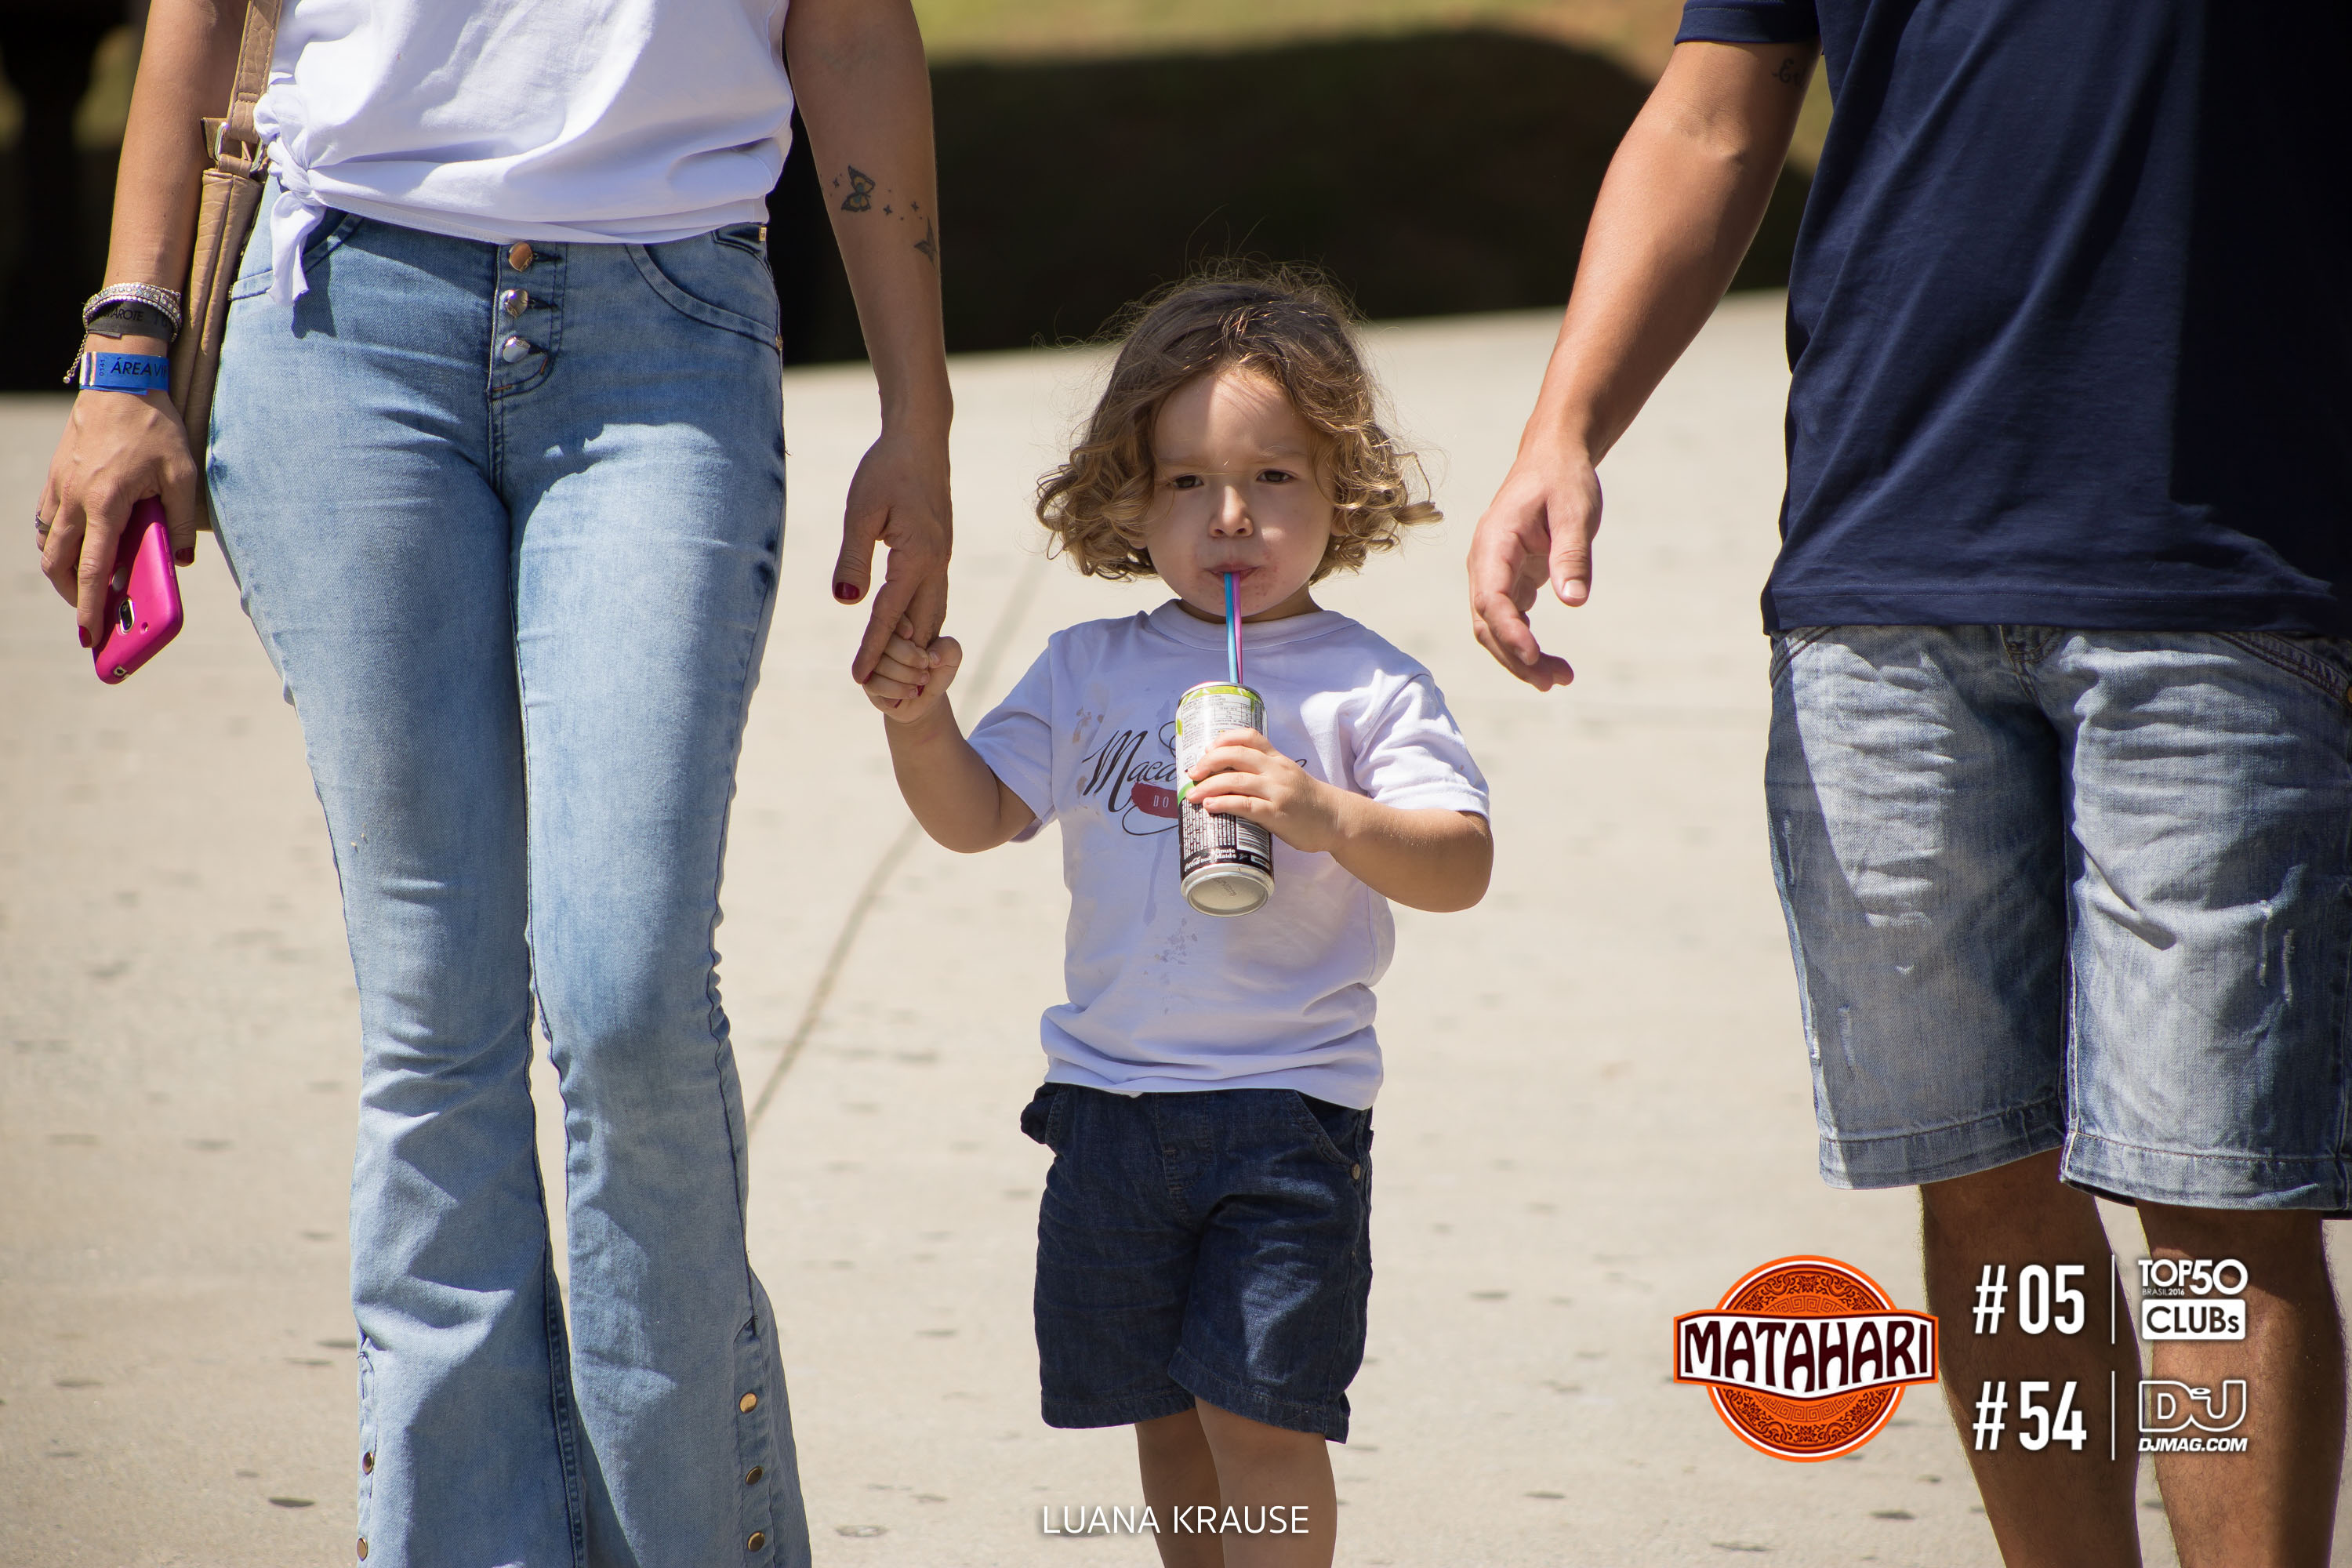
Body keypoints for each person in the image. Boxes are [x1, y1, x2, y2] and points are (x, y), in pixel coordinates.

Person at [34, 2, 952, 1563]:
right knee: (437, 1012)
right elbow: (198, 18)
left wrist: (914, 411)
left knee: (628, 992)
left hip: (669, 327)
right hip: (340, 327)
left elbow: (852, 27)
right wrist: (129, 353)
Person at [1466, 5, 2350, 1564]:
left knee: (2217, 1195)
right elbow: (1714, 112)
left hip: (2223, 578)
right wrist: (1567, 423)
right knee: (1986, 1180)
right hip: (1881, 578)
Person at [861, 274, 1492, 1568]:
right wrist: (917, 721)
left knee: (1258, 1416)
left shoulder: (1368, 685)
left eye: (1275, 477)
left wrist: (1323, 812)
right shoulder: (1092, 668)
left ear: (1341, 491)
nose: (1233, 517)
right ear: (1132, 498)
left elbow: (1460, 864)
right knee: (1159, 1416)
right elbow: (978, 815)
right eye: (1188, 482)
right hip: (1110, 1105)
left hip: (1287, 1115)